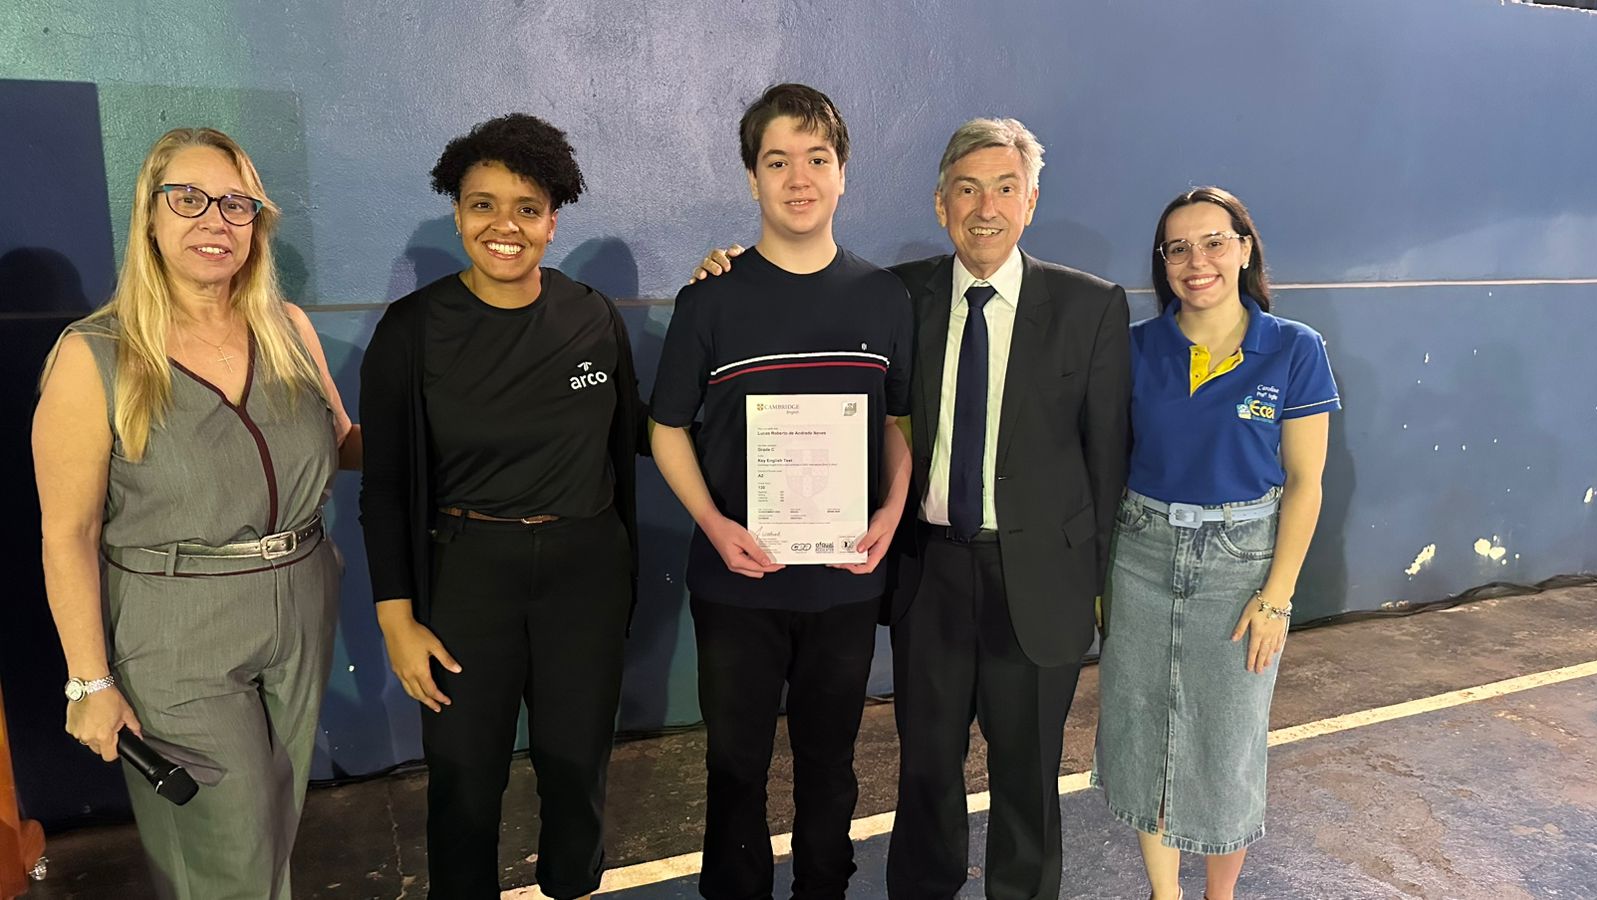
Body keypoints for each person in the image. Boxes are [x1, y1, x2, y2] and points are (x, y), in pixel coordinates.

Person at [693, 117, 1131, 900]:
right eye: (967, 189)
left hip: (1039, 576)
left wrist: (1095, 588)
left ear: (1031, 201)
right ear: (940, 204)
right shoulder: (899, 296)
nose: (985, 208)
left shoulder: (1090, 306)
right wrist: (722, 269)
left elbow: (1108, 460)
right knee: (926, 769)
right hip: (929, 571)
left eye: (1005, 188)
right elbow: (815, 311)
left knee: (1027, 772)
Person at [33, 126, 358, 899]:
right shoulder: (95, 355)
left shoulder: (288, 329)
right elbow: (68, 533)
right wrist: (88, 682)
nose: (216, 220)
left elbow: (345, 444)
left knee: (274, 824)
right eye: (189, 199)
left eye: (236, 204)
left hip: (303, 598)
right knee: (225, 850)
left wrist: (465, 425)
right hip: (175, 625)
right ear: (150, 216)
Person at [358, 113, 644, 899]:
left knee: (577, 767)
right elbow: (383, 486)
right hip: (467, 578)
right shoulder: (412, 331)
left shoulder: (592, 317)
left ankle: (573, 886)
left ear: (553, 221)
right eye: (482, 204)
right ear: (458, 214)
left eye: (527, 207)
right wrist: (396, 619)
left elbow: (637, 434)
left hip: (585, 572)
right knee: (464, 779)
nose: (504, 225)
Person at [650, 83, 913, 900]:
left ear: (843, 174)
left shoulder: (885, 297)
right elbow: (667, 428)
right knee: (735, 765)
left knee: (831, 764)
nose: (799, 178)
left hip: (844, 582)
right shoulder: (710, 299)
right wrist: (712, 523)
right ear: (752, 177)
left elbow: (896, 422)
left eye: (817, 159)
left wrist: (891, 508)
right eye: (777, 161)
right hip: (738, 582)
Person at [1093, 187, 1339, 900]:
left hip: (1242, 564)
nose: (1196, 261)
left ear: (1244, 249)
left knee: (1226, 740)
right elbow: (1107, 464)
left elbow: (1306, 484)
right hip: (1140, 553)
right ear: (1162, 262)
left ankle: (1217, 895)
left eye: (1213, 242)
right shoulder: (1134, 349)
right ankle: (1164, 894)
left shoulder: (1294, 349)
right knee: (1142, 727)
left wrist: (1277, 599)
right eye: (1178, 248)